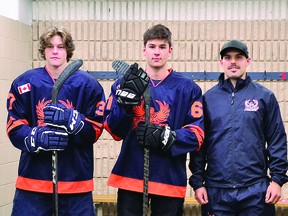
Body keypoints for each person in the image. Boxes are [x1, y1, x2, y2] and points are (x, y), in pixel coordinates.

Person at [103, 24, 204, 215]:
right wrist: (124, 107)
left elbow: (197, 134)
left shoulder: (188, 89)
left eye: (162, 47)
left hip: (169, 178)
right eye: (152, 46)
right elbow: (113, 129)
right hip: (131, 176)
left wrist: (168, 136)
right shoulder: (124, 84)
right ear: (144, 50)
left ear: (170, 51)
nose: (156, 52)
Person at [6, 27, 106, 216]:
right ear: (43, 49)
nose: (55, 51)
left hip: (76, 182)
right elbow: (14, 124)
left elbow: (95, 128)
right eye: (50, 46)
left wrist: (76, 122)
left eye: (60, 47)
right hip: (33, 182)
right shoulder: (25, 82)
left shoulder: (88, 84)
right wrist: (35, 136)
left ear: (68, 50)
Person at [189, 39, 288, 216]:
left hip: (255, 192)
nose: (233, 62)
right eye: (228, 57)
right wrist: (197, 183)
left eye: (239, 57)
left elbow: (277, 140)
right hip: (217, 192)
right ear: (221, 62)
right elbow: (199, 145)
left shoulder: (264, 97)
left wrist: (277, 181)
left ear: (247, 61)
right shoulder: (208, 99)